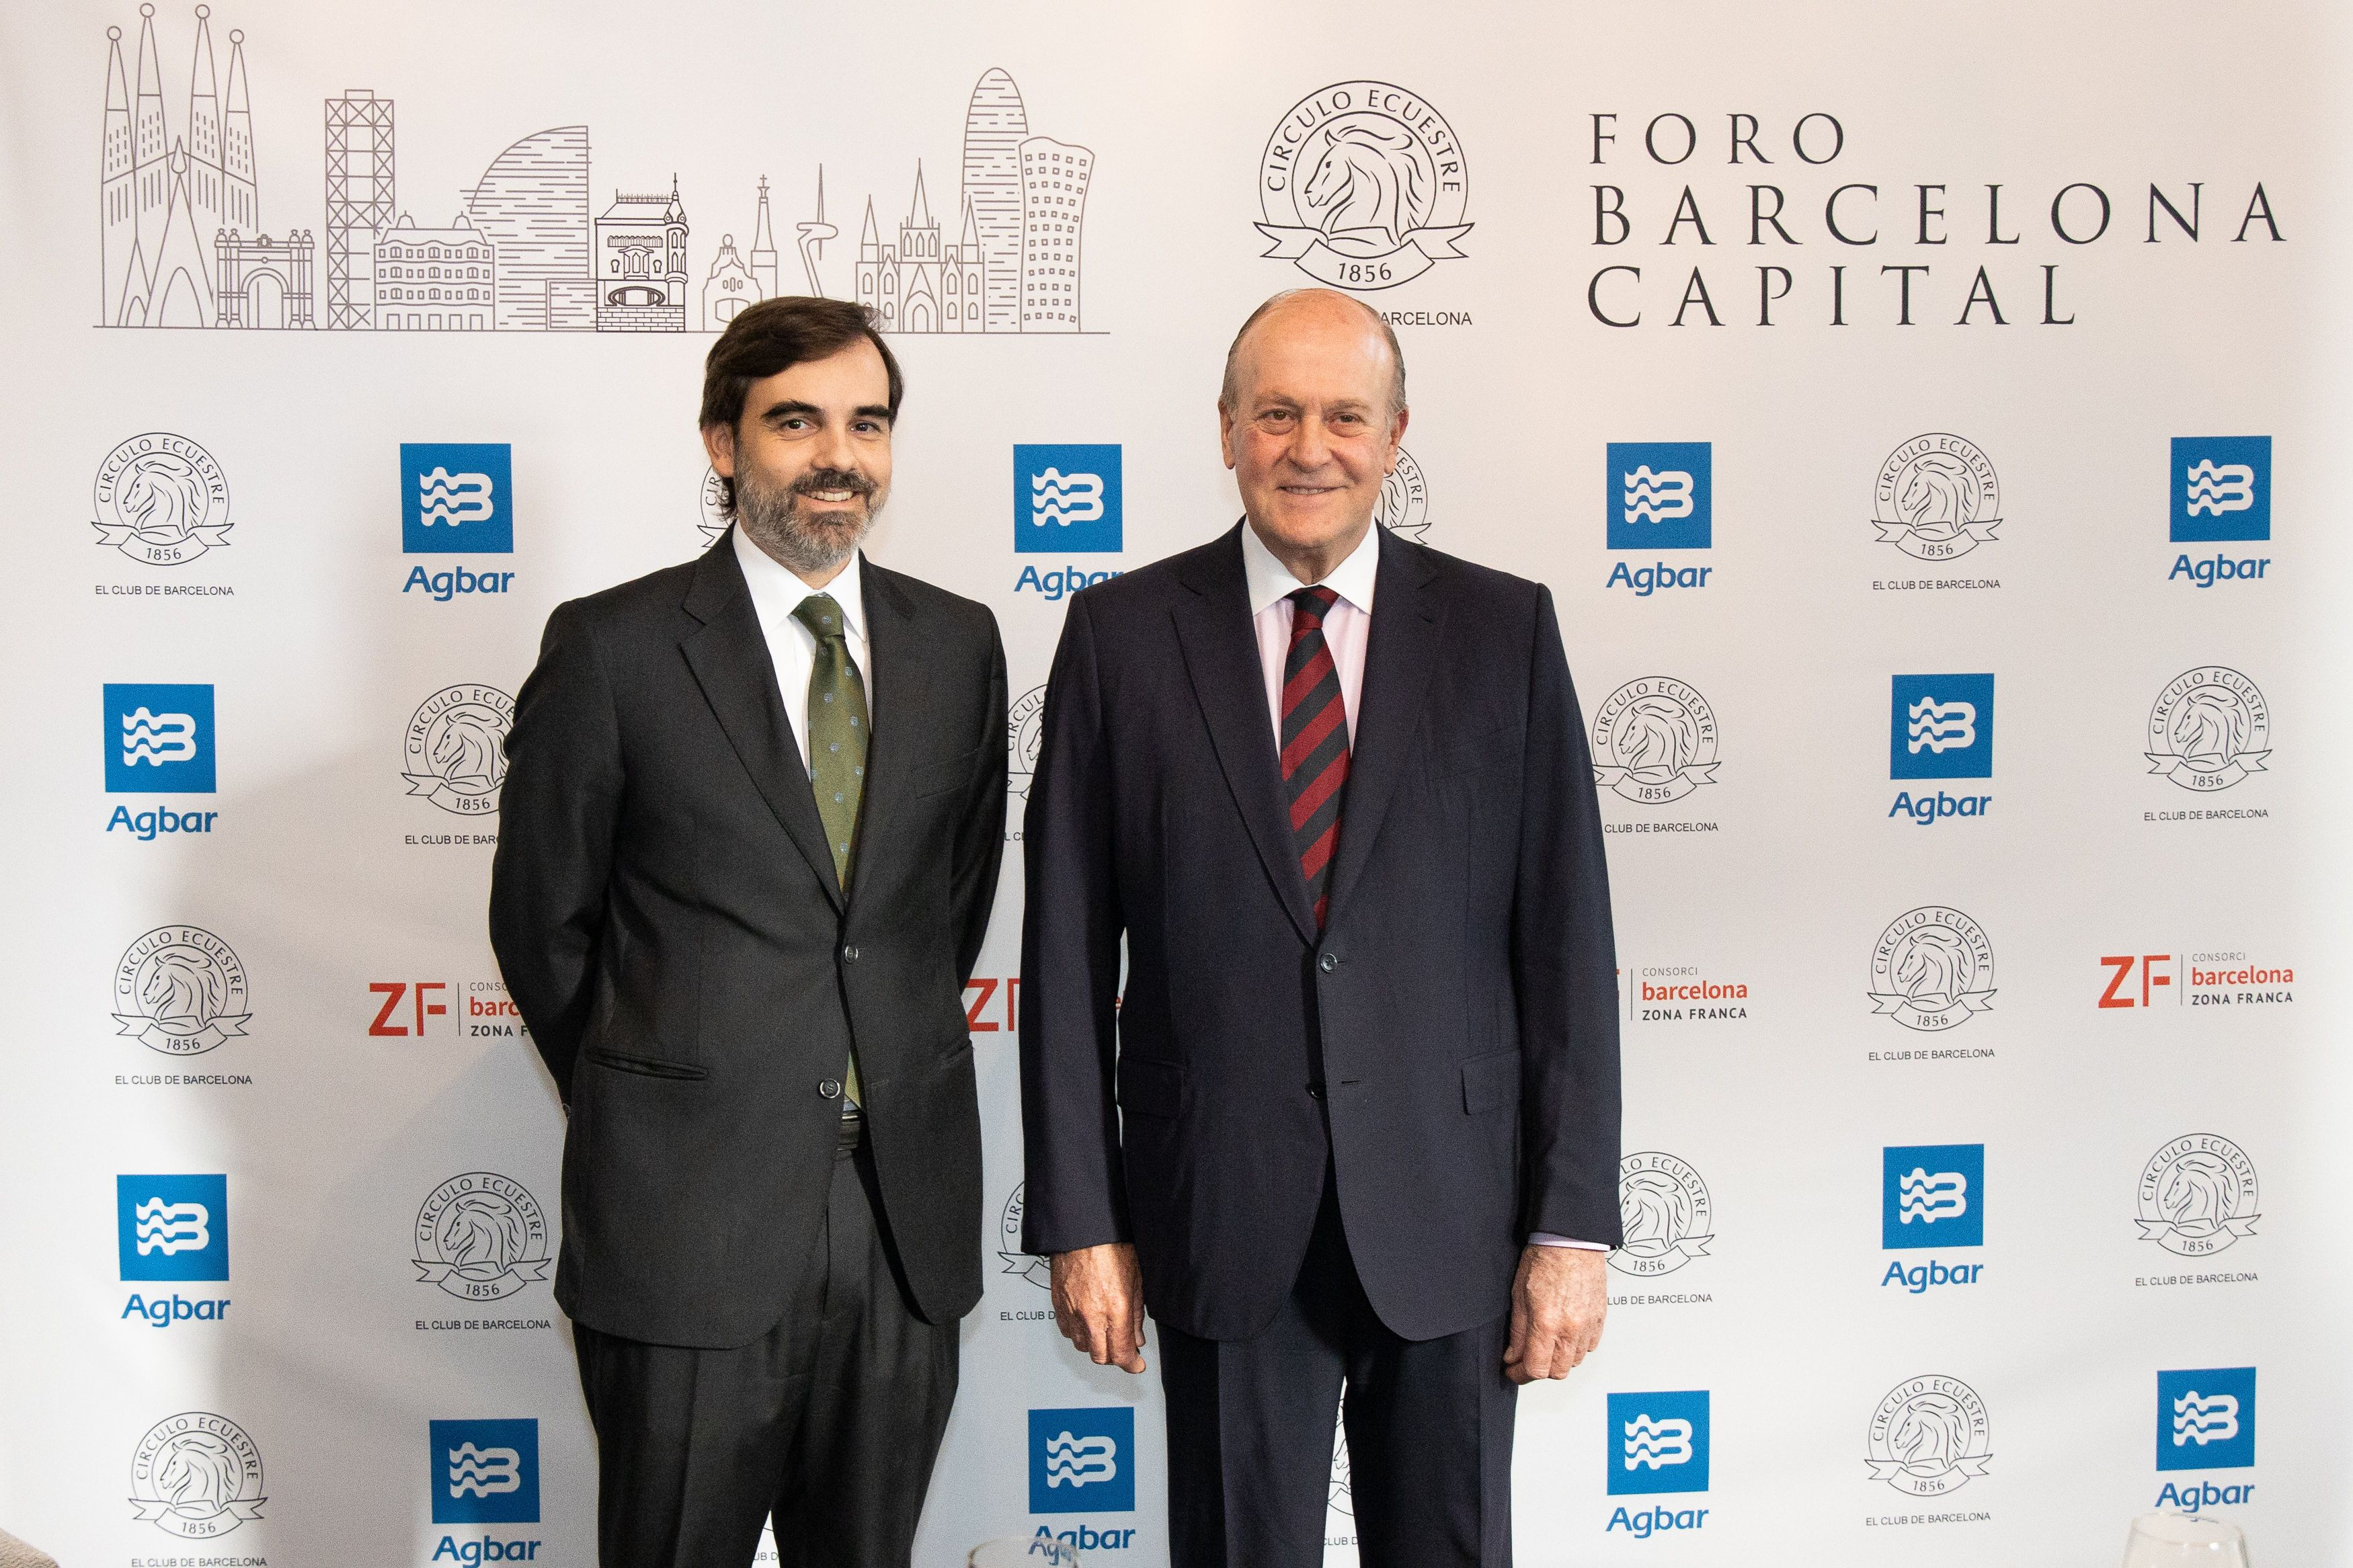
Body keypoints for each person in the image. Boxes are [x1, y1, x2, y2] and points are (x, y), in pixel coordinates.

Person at [1018, 288, 1622, 1566]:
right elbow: (1066, 958)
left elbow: (1567, 949)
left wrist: (1569, 1227)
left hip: (1454, 1220)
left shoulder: (1506, 632)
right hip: (1220, 1212)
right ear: (1227, 429)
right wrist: (1082, 1217)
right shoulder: (1122, 637)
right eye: (1277, 412)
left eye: (1345, 415)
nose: (1310, 447)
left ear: (1397, 434)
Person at [489, 296, 1008, 1567]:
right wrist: (663, 1086)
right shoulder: (612, 650)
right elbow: (543, 927)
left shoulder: (961, 645)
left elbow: (947, 906)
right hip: (685, 1225)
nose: (839, 455)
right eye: (797, 422)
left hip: (900, 1227)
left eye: (867, 423)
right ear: (724, 443)